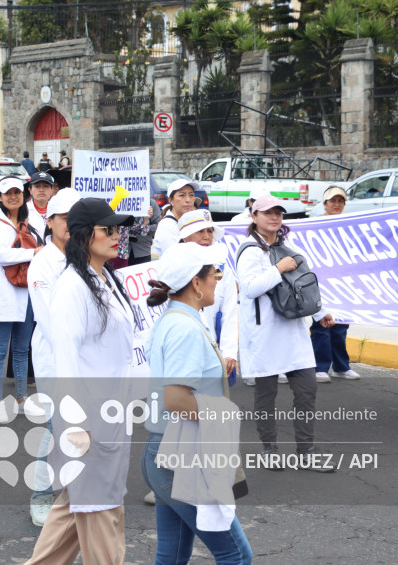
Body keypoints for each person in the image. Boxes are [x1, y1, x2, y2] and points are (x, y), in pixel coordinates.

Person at [25, 198, 135, 565]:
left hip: (112, 412)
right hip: (89, 419)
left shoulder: (105, 276)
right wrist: (75, 424)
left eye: (118, 229)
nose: (117, 236)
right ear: (85, 236)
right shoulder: (72, 286)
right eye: (108, 229)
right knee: (104, 516)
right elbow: (65, 357)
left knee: (74, 511)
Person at [143, 241, 252, 565]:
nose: (219, 279)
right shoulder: (184, 328)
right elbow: (176, 399)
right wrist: (226, 413)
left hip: (170, 452)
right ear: (196, 283)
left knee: (173, 556)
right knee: (235, 555)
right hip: (180, 457)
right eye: (214, 274)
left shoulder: (180, 319)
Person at [235, 194, 335, 472]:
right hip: (264, 334)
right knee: (266, 397)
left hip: (293, 331)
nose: (274, 217)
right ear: (254, 217)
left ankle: (307, 452)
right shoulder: (249, 251)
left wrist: (320, 312)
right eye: (267, 212)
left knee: (307, 391)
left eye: (278, 212)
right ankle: (270, 450)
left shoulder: (288, 248)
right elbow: (250, 287)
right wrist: (278, 269)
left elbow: (302, 286)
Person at [25, 187, 80, 527]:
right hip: (55, 358)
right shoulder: (43, 263)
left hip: (83, 358)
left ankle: (74, 491)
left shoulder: (82, 258)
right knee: (54, 426)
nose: (71, 226)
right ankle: (40, 495)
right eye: (64, 219)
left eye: (77, 219)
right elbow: (49, 319)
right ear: (50, 221)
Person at [0, 177, 43, 419]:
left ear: (23, 195)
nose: (13, 197)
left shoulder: (31, 220)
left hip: (27, 292)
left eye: (17, 192)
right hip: (4, 293)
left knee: (21, 349)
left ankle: (21, 397)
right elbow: (1, 255)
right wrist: (34, 252)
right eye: (7, 193)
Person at [177, 209, 240, 384]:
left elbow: (229, 314)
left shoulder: (223, 272)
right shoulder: (173, 270)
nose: (206, 236)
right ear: (185, 237)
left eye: (210, 231)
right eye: (200, 231)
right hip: (181, 355)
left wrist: (228, 353)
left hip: (212, 356)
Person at [309, 186, 360, 383]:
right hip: (320, 283)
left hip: (341, 282)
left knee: (340, 326)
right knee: (321, 324)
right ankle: (320, 367)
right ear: (325, 204)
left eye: (341, 201)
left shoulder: (347, 225)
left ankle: (341, 366)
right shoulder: (314, 224)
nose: (337, 205)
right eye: (333, 201)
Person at [152, 178, 201, 258]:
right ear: (171, 200)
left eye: (191, 195)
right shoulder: (167, 225)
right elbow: (176, 258)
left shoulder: (189, 222)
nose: (188, 200)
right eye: (182, 195)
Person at [128, 198, 160, 265]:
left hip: (143, 249)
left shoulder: (151, 203)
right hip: (123, 250)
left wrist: (143, 229)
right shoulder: (123, 202)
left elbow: (157, 226)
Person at [27, 171, 54, 238]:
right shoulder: (23, 210)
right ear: (30, 190)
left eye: (46, 186)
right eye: (37, 186)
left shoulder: (57, 209)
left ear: (51, 190)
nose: (41, 190)